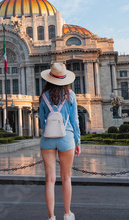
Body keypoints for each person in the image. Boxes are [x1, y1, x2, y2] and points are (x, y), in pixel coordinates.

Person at [39, 63, 81, 220]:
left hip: (47, 139)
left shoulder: (43, 96)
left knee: (50, 179)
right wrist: (77, 142)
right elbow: (75, 122)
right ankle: (67, 214)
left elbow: (41, 121)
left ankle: (51, 217)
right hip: (66, 138)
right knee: (66, 178)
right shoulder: (70, 95)